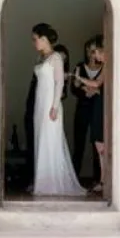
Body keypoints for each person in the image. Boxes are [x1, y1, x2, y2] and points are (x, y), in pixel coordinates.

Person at [31, 23, 86, 196]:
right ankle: (42, 180)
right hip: (40, 103)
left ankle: (53, 183)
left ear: (44, 38)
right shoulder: (41, 58)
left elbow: (59, 82)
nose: (34, 43)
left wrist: (54, 106)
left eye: (35, 39)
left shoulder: (55, 58)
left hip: (50, 104)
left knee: (51, 141)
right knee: (41, 139)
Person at [73, 34, 106, 193]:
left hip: (100, 105)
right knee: (87, 142)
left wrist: (83, 81)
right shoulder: (81, 65)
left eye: (95, 51)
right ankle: (79, 178)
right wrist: (83, 89)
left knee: (99, 143)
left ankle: (101, 179)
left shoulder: (107, 66)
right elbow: (75, 88)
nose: (93, 55)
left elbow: (97, 84)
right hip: (87, 107)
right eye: (90, 51)